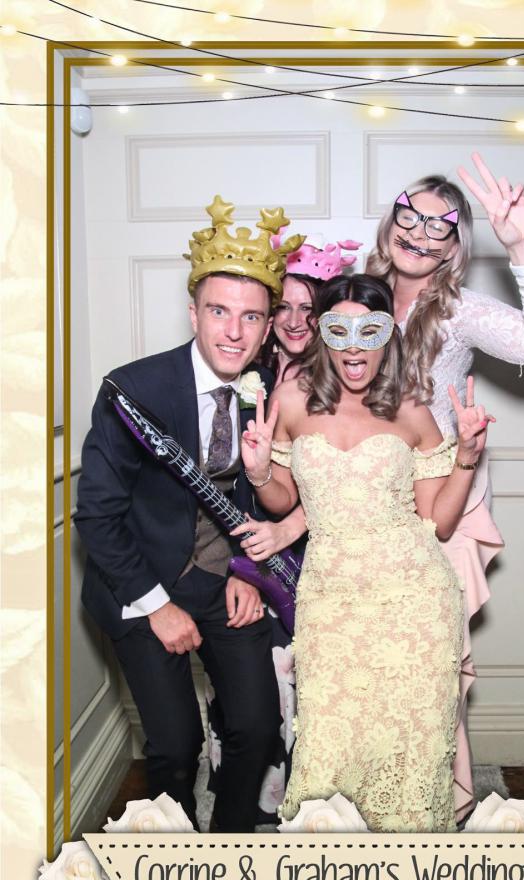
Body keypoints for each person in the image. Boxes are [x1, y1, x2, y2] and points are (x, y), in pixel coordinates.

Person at [74, 196, 304, 832]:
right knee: (176, 748)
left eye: (251, 316)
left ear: (267, 326)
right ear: (193, 312)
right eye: (219, 311)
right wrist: (157, 607)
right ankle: (173, 856)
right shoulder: (133, 390)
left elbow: (262, 495)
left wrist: (247, 573)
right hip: (141, 581)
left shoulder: (268, 392)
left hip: (223, 581)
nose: (234, 332)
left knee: (258, 727)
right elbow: (96, 516)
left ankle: (229, 849)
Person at [240, 273, 493, 833]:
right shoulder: (290, 402)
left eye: (369, 331)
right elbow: (282, 501)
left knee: (410, 754)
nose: (354, 347)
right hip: (331, 601)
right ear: (322, 334)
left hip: (413, 601)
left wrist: (467, 457)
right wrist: (258, 473)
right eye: (340, 330)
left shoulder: (412, 410)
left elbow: (439, 521)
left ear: (388, 337)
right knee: (329, 749)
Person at [366, 154, 524, 822]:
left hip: (439, 513)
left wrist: (522, 246)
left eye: (441, 225)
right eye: (410, 215)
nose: (421, 232)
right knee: (366, 671)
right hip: (362, 511)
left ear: (455, 246)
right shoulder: (353, 294)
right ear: (390, 222)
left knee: (428, 675)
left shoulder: (456, 310)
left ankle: (436, 813)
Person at [209, 235, 362, 819]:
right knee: (259, 688)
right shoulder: (242, 371)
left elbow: (355, 476)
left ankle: (320, 806)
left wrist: (290, 529)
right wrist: (240, 569)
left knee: (326, 688)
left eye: (310, 308)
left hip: (328, 554)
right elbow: (223, 483)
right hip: (254, 555)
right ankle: (255, 805)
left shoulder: (348, 375)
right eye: (284, 308)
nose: (297, 321)